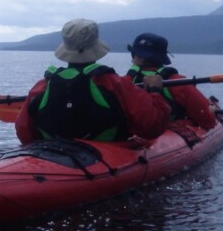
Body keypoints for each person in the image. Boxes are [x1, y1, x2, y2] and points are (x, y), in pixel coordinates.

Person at [15, 19, 171, 145]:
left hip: (53, 154)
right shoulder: (115, 84)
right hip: (107, 155)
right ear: (96, 47)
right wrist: (155, 92)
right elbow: (152, 128)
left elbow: (24, 131)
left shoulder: (43, 85)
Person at [125, 33, 217, 130]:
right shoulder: (178, 83)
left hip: (132, 134)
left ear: (136, 57)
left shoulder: (126, 80)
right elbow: (208, 121)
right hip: (163, 133)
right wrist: (211, 111)